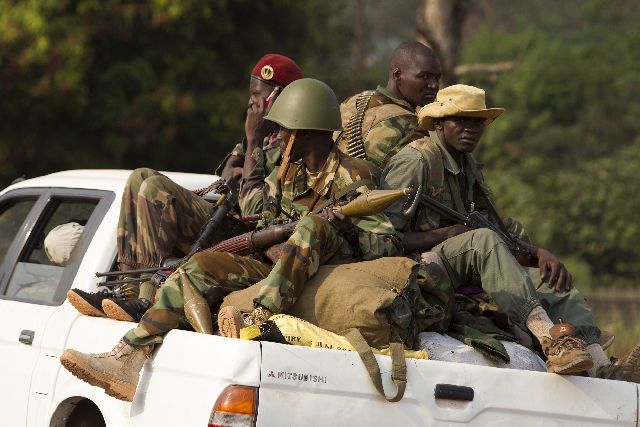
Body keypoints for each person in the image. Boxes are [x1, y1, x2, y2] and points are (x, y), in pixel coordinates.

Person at [59, 78, 401, 402]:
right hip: (271, 265)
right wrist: (271, 240)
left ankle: (257, 318)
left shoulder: (354, 177)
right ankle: (129, 357)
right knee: (197, 267)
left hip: (317, 271)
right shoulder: (286, 170)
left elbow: (385, 243)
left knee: (314, 226)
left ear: (307, 132)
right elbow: (265, 215)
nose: (278, 137)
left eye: (284, 129)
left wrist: (344, 230)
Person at [381, 84, 640, 380]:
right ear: (440, 123)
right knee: (483, 240)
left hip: (468, 262)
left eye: (477, 121)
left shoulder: (468, 167)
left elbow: (494, 225)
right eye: (460, 120)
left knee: (551, 280)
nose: (470, 129)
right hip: (419, 266)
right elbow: (380, 239)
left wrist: (537, 253)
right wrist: (444, 235)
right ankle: (550, 339)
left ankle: (601, 367)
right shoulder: (417, 161)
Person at [65, 54, 302, 323]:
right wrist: (248, 154)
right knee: (139, 176)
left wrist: (253, 141)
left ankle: (145, 298)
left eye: (258, 95)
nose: (251, 102)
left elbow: (253, 209)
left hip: (251, 242)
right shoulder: (264, 138)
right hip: (224, 225)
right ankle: (128, 290)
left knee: (156, 189)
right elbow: (224, 181)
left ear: (279, 97)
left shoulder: (289, 144)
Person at [335, 41, 441, 175]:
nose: (434, 85)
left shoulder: (352, 102)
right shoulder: (410, 126)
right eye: (425, 76)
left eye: (437, 78)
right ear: (397, 76)